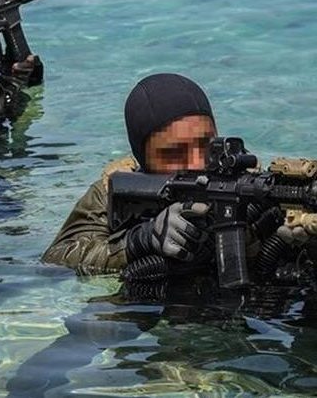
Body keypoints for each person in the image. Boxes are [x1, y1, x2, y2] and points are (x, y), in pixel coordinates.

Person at [42, 73, 317, 279]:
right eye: (173, 153)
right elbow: (56, 260)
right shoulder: (114, 190)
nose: (197, 163)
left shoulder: (253, 185)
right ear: (143, 160)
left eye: (206, 144)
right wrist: (140, 241)